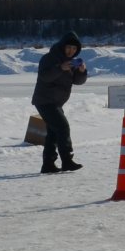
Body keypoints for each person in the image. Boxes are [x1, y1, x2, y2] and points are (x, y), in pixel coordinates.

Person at [32, 31, 88, 174]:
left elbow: (77, 81)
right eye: (69, 47)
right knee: (63, 127)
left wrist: (81, 71)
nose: (71, 51)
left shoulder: (71, 61)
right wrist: (60, 68)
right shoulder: (49, 58)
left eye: (74, 49)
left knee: (53, 132)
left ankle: (48, 164)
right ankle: (67, 160)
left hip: (56, 102)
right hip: (45, 101)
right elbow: (44, 76)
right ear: (62, 46)